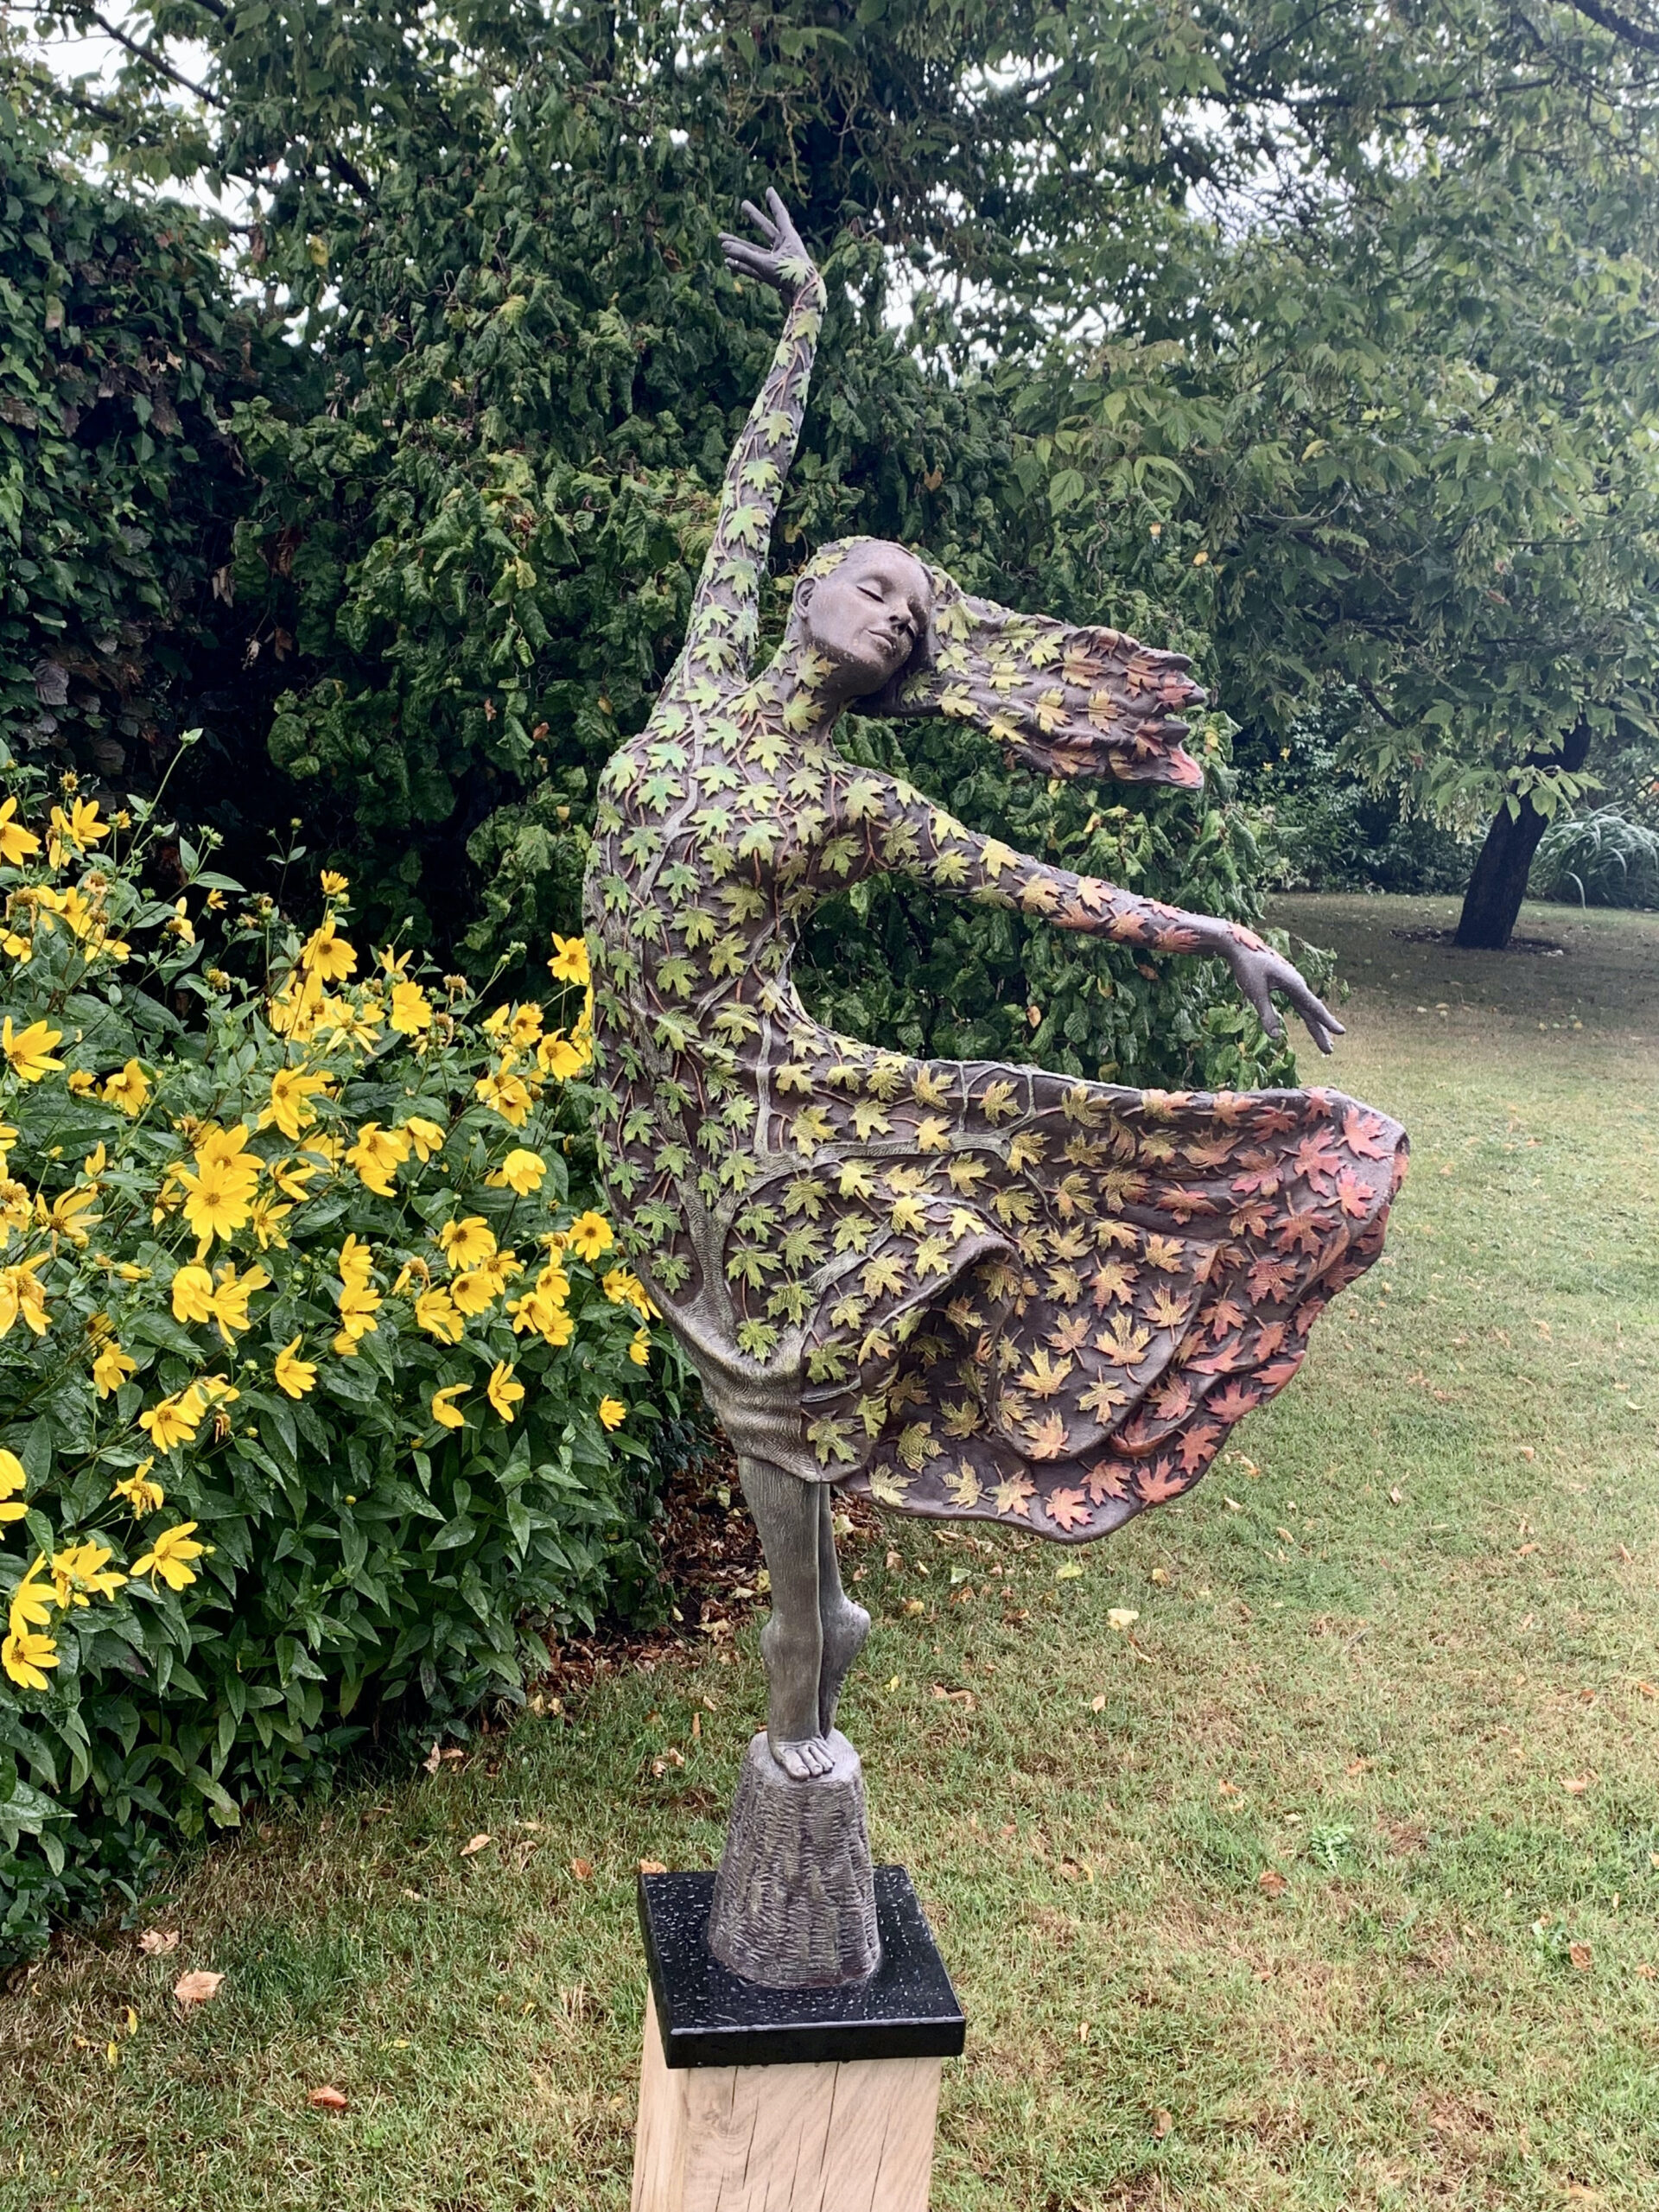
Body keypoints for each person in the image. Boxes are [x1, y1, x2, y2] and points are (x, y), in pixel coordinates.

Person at [582, 193, 1407, 1781]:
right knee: (755, 1391)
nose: (893, 617)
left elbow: (1031, 885)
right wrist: (805, 319)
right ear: (809, 592)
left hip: (759, 1112)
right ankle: (818, 1622)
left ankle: (805, 1654)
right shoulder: (695, 686)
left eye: (913, 619)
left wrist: (1214, 934)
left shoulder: (857, 806)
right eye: (876, 586)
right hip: (644, 1118)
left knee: (771, 1393)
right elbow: (746, 494)